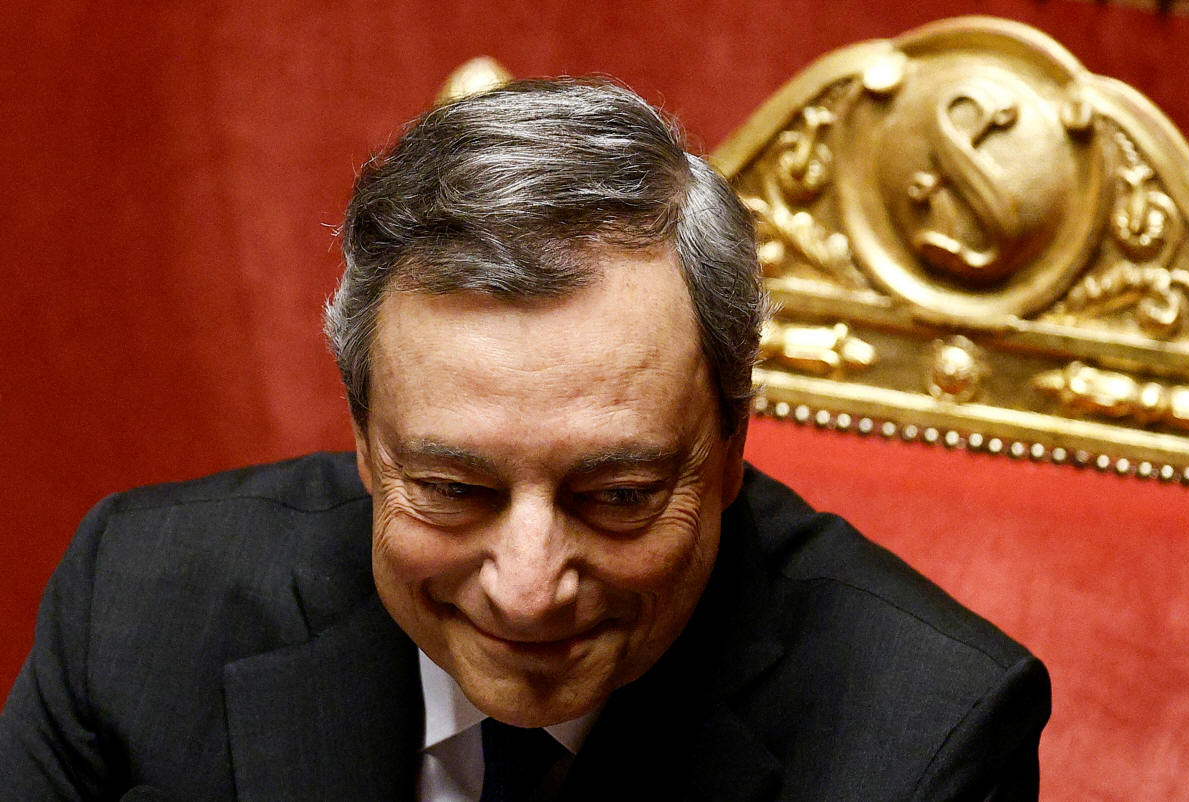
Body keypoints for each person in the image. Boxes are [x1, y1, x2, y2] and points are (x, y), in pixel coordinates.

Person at [0, 77, 1050, 801]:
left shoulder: (925, 735)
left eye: (619, 495)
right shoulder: (138, 602)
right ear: (364, 440)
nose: (527, 589)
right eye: (453, 489)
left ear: (731, 444)